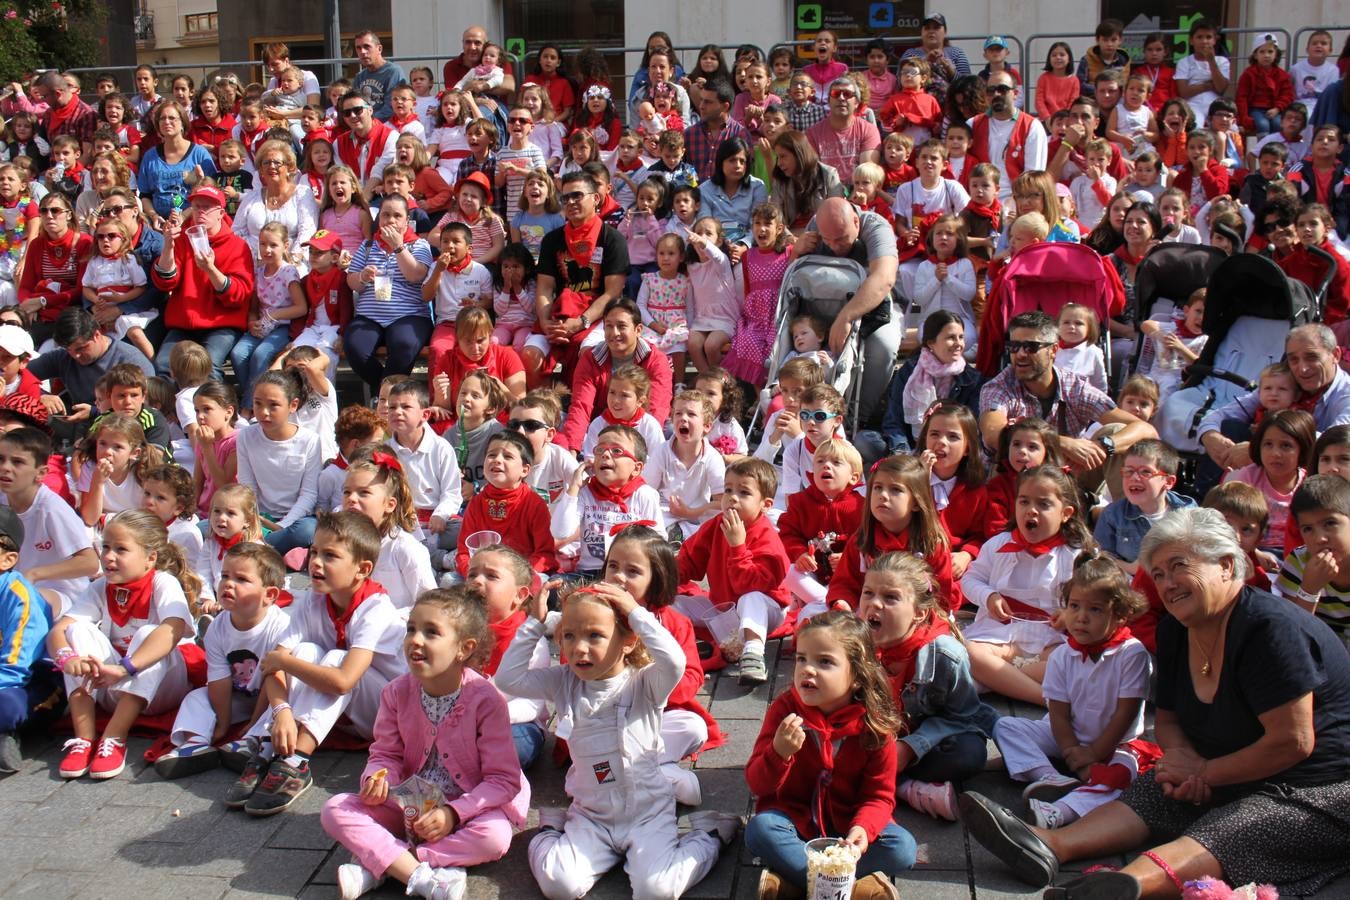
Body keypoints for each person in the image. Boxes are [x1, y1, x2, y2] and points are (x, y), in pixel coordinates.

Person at [960, 506, 1350, 899]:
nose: (1167, 584)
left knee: (1244, 825)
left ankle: (1124, 886)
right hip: (1232, 769)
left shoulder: (1270, 629)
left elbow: (1293, 742)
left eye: (1179, 565)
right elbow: (1167, 720)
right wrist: (1184, 765)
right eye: (1158, 574)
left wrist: (1206, 772)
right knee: (1154, 789)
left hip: (1319, 785)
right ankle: (1049, 844)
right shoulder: (1176, 630)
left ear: (1228, 566)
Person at [497, 579, 736, 899]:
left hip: (647, 813)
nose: (579, 647)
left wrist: (636, 613)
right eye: (569, 635)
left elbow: (676, 662)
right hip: (592, 816)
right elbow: (508, 679)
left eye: (594, 635)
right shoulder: (563, 683)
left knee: (657, 891)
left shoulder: (645, 682)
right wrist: (535, 623)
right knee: (560, 886)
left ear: (627, 641)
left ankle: (710, 835)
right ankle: (550, 832)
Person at [320, 585, 527, 900]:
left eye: (431, 633)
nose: (415, 639)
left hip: (469, 807)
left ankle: (385, 864)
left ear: (464, 648)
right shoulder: (395, 692)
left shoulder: (486, 700)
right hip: (411, 805)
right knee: (335, 809)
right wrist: (378, 779)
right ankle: (423, 874)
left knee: (495, 838)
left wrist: (453, 814)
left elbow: (503, 780)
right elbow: (385, 754)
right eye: (411, 629)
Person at [745, 610, 916, 897]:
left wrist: (863, 828)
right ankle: (851, 887)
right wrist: (779, 754)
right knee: (760, 830)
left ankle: (796, 882)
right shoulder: (785, 711)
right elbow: (757, 784)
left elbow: (878, 796)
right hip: (793, 823)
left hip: (847, 831)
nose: (807, 669)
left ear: (857, 677)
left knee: (903, 849)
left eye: (824, 662)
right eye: (801, 658)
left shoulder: (875, 727)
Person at [48, 510, 200, 780]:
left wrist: (125, 668)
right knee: (78, 630)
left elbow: (172, 630)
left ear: (150, 558)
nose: (108, 556)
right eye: (105, 547)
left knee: (150, 634)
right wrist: (66, 659)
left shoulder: (163, 583)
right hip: (111, 686)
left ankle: (114, 737)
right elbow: (59, 630)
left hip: (159, 690)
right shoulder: (99, 588)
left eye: (121, 549)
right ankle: (84, 740)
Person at [153, 542, 291, 779]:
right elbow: (218, 679)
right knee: (196, 698)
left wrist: (253, 723)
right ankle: (196, 743)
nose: (228, 583)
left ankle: (252, 742)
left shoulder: (280, 626)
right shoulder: (218, 627)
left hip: (272, 695)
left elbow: (274, 678)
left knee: (281, 708)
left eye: (241, 579)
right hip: (238, 697)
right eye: (225, 575)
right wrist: (224, 723)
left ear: (269, 595)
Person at [978, 311, 1156, 470]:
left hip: (1066, 477)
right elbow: (995, 435)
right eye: (1014, 347)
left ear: (1054, 350)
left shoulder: (1075, 387)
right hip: (1011, 480)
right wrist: (1061, 443)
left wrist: (1103, 447)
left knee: (1115, 430)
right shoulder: (999, 387)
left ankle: (1130, 507)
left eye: (1030, 347)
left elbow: (1146, 430)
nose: (1020, 354)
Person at [1195, 324, 1350, 492]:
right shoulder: (1284, 384)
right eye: (1293, 359)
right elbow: (1222, 414)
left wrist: (1257, 450)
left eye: (1311, 357)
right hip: (1272, 470)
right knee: (1230, 427)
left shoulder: (1346, 394)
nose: (1302, 368)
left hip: (1326, 484)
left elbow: (1332, 441)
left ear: (1335, 355)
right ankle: (1205, 500)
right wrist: (1209, 435)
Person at [793, 197, 901, 426]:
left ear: (856, 221)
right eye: (827, 240)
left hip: (873, 308)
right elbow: (795, 276)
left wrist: (846, 316)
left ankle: (857, 417)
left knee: (884, 347)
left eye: (841, 238)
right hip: (823, 306)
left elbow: (884, 278)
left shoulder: (877, 227)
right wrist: (795, 252)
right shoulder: (817, 225)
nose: (834, 246)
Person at [533, 172, 630, 380]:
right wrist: (545, 322)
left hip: (598, 316)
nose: (570, 202)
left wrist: (581, 321)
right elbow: (544, 288)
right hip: (559, 314)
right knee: (531, 354)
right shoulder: (552, 240)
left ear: (595, 198)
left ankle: (582, 408)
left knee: (588, 352)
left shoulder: (613, 239)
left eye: (577, 195)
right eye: (565, 198)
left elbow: (613, 293)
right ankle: (539, 410)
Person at [151, 184, 254, 381]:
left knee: (208, 367)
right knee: (164, 367)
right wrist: (168, 247)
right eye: (197, 206)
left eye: (206, 207)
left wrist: (210, 269)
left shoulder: (238, 246)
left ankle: (217, 410)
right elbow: (166, 282)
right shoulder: (181, 239)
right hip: (184, 324)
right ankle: (169, 412)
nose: (200, 211)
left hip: (222, 324)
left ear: (221, 213)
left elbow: (239, 295)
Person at [343, 195, 434, 393]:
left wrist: (398, 247)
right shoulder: (367, 246)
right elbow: (351, 281)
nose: (390, 220)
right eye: (385, 215)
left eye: (397, 215)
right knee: (355, 348)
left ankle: (385, 399)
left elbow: (415, 275)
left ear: (406, 220)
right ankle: (386, 393)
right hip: (370, 316)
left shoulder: (419, 245)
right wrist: (362, 277)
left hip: (409, 316)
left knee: (404, 346)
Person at [30, 306, 154, 421]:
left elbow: (148, 411)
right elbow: (18, 374)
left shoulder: (131, 360)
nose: (75, 356)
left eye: (81, 348)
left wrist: (96, 412)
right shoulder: (63, 356)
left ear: (97, 335)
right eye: (69, 350)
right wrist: (39, 395)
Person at [0, 504, 50, 774]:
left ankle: (8, 733)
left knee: (6, 708)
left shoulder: (19, 596)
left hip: (29, 682)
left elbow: (15, 667)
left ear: (7, 560)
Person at [232, 139, 319, 268]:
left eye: (277, 162)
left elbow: (307, 232)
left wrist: (290, 262)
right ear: (261, 169)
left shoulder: (302, 194)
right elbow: (237, 231)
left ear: (289, 167)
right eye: (266, 162)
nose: (272, 166)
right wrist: (254, 258)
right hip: (253, 263)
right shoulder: (251, 197)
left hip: (292, 263)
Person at [970, 71, 1048, 203]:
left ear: (1015, 94)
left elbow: (1034, 178)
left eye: (1002, 89)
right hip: (979, 202)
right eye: (991, 90)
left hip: (1017, 202)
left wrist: (1013, 206)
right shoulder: (972, 124)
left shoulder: (1032, 127)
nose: (996, 94)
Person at [137, 100, 219, 227]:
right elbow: (145, 195)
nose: (167, 122)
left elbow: (212, 193)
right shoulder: (150, 157)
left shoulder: (199, 154)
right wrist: (153, 216)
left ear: (182, 123)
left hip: (194, 222)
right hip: (160, 225)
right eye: (162, 119)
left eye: (172, 118)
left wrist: (184, 215)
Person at [807, 78, 881, 185]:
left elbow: (867, 174)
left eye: (847, 94)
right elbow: (813, 172)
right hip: (825, 192)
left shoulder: (869, 130)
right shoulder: (812, 133)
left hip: (858, 192)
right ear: (828, 101)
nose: (841, 98)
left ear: (856, 102)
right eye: (836, 93)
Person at [683, 80, 750, 183]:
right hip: (696, 196)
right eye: (701, 100)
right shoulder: (689, 134)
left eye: (708, 102)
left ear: (725, 106)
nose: (701, 106)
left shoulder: (740, 134)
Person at [900, 13, 971, 102]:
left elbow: (968, 83)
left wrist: (948, 68)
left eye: (936, 28)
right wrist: (925, 62)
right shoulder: (910, 54)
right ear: (921, 32)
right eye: (927, 28)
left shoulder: (956, 53)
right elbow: (900, 82)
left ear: (945, 32)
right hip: (918, 104)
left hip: (952, 104)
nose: (931, 31)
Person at [441, 25, 516, 103]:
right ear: (463, 44)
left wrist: (474, 86)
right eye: (468, 42)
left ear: (485, 45)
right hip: (465, 109)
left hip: (496, 109)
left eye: (477, 43)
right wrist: (480, 99)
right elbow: (453, 96)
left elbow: (509, 86)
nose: (472, 47)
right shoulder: (451, 66)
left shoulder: (498, 61)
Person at [350, 31, 406, 122]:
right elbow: (354, 105)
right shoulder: (359, 77)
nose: (362, 52)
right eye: (358, 48)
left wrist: (368, 123)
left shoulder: (393, 72)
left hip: (387, 126)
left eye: (367, 47)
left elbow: (392, 107)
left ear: (379, 49)